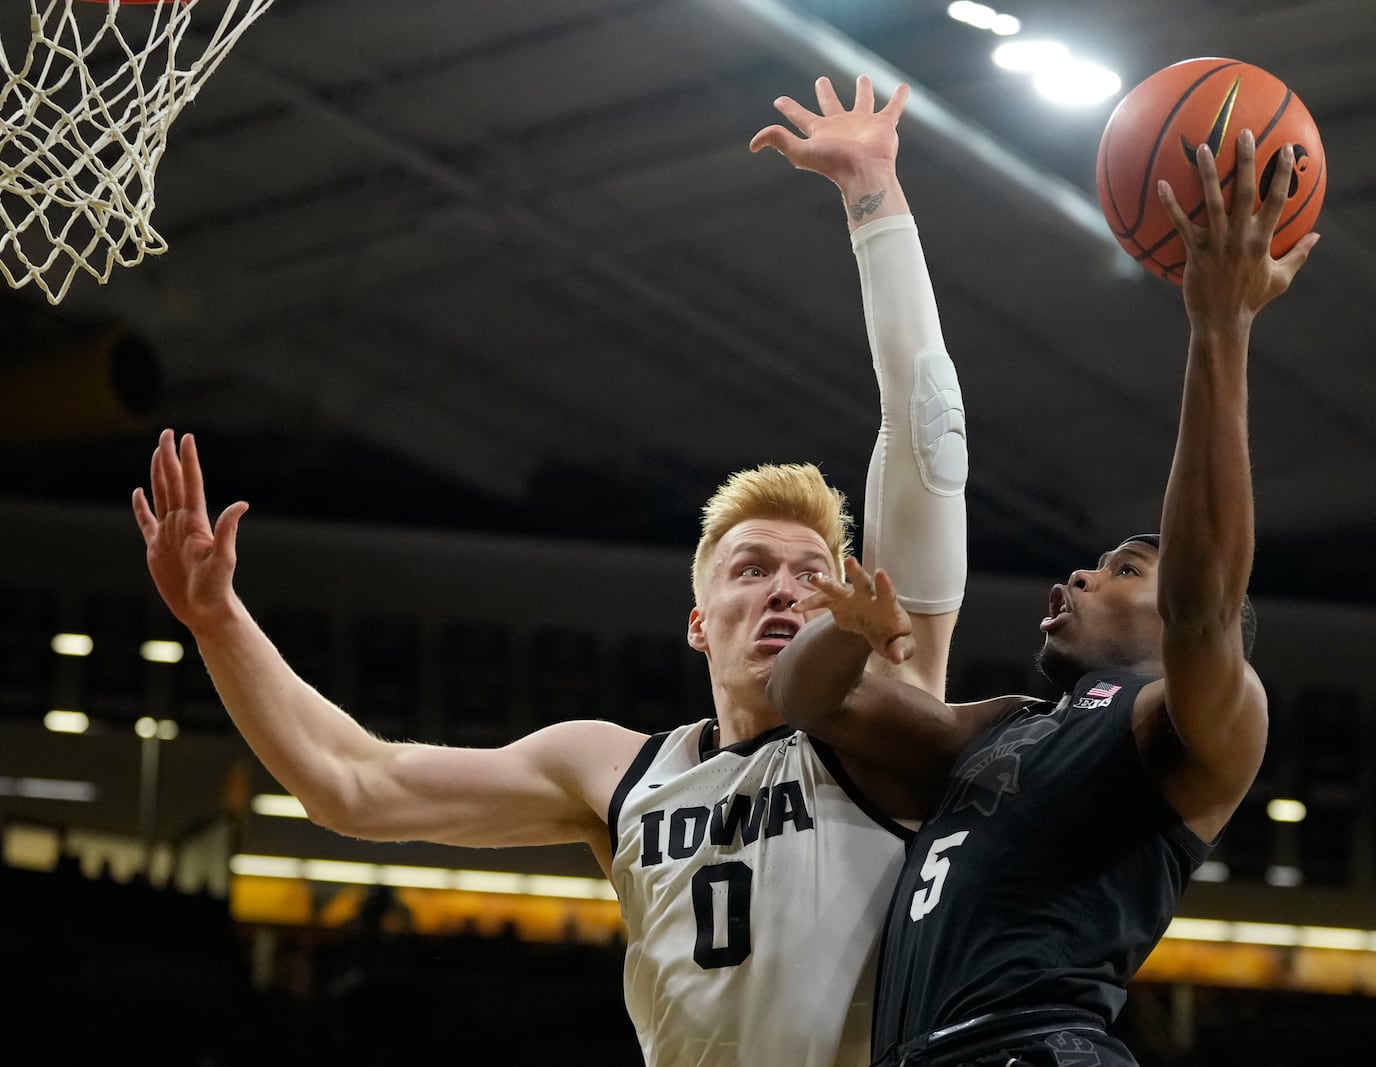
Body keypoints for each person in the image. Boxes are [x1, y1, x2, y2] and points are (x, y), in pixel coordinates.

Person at [132, 75, 965, 1067]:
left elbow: (926, 434)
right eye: (749, 568)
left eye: (809, 569)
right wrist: (217, 619)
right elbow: (354, 782)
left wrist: (873, 197)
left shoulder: (891, 713)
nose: (786, 586)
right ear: (698, 622)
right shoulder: (611, 768)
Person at [768, 128, 1318, 1067]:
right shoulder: (1003, 730)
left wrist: (1220, 326)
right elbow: (804, 701)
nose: (1079, 576)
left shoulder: (1185, 730)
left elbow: (1204, 606)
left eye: (1121, 570)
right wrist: (846, 632)